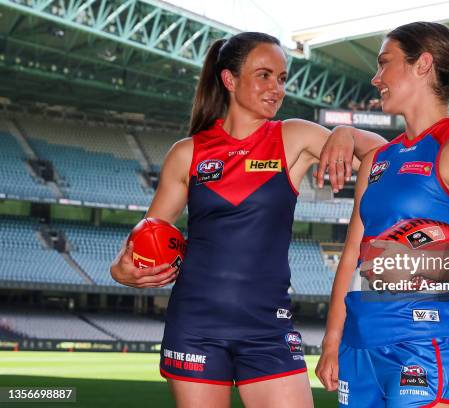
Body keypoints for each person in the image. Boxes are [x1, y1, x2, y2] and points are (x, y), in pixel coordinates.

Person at [110, 32, 385, 408]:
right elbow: (148, 237)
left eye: (282, 78)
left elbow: (391, 161)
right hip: (194, 326)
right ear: (229, 79)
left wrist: (347, 132)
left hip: (268, 327)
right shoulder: (187, 153)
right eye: (264, 75)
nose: (277, 88)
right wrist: (122, 270)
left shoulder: (294, 137)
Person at [316, 22, 449, 407]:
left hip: (422, 343)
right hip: (358, 347)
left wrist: (414, 262)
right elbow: (352, 256)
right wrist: (333, 339)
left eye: (385, 63)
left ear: (423, 65)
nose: (375, 77)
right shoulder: (378, 160)